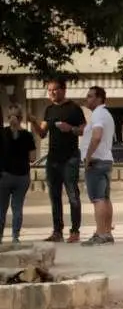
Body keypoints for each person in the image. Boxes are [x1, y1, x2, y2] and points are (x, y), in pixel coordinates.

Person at [28, 77, 87, 243]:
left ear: (63, 90)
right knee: (54, 196)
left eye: (54, 89)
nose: (51, 93)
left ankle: (75, 231)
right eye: (49, 90)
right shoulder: (49, 110)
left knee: (73, 195)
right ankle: (57, 232)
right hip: (53, 159)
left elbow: (84, 129)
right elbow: (42, 133)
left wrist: (71, 128)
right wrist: (33, 122)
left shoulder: (74, 108)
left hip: (70, 158)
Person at [80, 86, 116, 246]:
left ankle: (100, 233)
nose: (87, 99)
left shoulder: (98, 114)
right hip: (105, 159)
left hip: (96, 160)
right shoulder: (105, 114)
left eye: (90, 96)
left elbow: (97, 136)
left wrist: (88, 157)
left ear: (99, 98)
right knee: (105, 198)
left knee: (98, 198)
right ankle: (107, 232)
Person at [0, 104, 35, 244]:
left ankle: (0, 237)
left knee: (1, 208)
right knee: (17, 207)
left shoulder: (2, 133)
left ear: (8, 118)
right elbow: (32, 158)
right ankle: (15, 237)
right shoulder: (28, 135)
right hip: (22, 176)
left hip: (4, 176)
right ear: (21, 118)